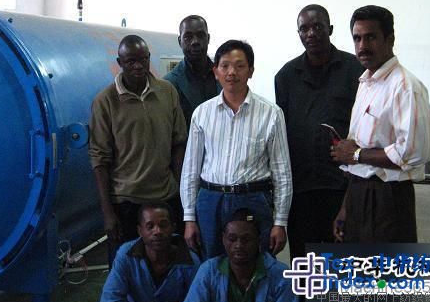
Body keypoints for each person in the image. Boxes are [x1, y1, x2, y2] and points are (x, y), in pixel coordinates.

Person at [180, 40, 292, 260]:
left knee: (256, 265)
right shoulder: (202, 114)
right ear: (216, 72)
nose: (231, 72)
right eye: (225, 66)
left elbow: (282, 172)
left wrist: (280, 222)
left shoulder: (271, 113)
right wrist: (189, 218)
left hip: (253, 199)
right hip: (210, 201)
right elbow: (190, 170)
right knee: (211, 265)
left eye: (240, 66)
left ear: (251, 71)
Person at [331, 5, 430, 243]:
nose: (362, 46)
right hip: (359, 192)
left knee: (385, 267)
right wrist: (346, 208)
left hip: (388, 199)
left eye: (371, 37)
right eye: (357, 38)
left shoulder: (405, 87)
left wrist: (357, 154)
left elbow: (413, 153)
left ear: (390, 39)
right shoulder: (366, 84)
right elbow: (355, 156)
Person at [275, 4, 363, 261]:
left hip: (343, 186)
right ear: (299, 34)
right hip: (301, 188)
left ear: (330, 29)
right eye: (304, 29)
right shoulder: (286, 76)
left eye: (317, 27)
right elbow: (283, 132)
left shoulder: (355, 71)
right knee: (304, 262)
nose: (311, 33)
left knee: (344, 261)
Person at [89, 35, 187, 265]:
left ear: (149, 58)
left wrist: (180, 191)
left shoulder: (167, 92)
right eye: (130, 61)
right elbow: (99, 160)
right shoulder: (105, 101)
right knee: (127, 269)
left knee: (169, 266)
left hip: (165, 198)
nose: (138, 66)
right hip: (126, 203)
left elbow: (179, 143)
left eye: (143, 59)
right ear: (119, 62)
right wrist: (108, 213)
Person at [181, 208, 298, 302]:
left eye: (246, 239)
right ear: (223, 239)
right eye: (232, 239)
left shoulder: (281, 275)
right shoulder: (209, 270)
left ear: (259, 240)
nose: (238, 245)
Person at [100, 202, 200, 302]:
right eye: (150, 226)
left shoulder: (191, 261)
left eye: (163, 225)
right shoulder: (126, 254)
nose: (157, 231)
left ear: (173, 227)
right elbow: (111, 299)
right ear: (140, 231)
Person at [164, 15, 221, 129]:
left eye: (200, 35)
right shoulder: (169, 83)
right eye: (188, 37)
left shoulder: (223, 75)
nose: (195, 42)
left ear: (208, 38)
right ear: (180, 41)